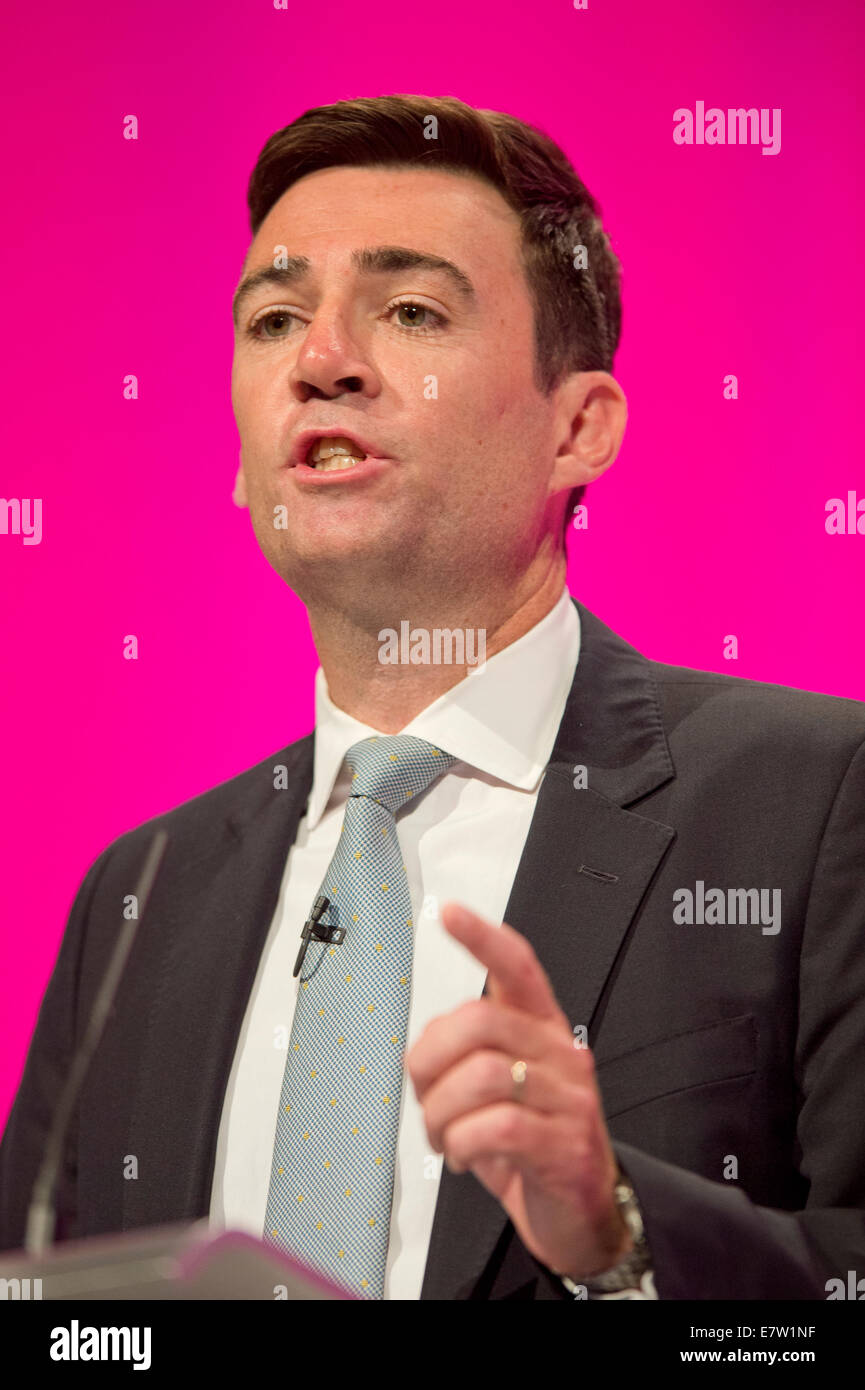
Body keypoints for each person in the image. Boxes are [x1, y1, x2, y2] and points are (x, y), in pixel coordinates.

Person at [2, 94, 864, 1302]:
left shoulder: (816, 803)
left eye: (410, 310)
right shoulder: (139, 896)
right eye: (274, 317)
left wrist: (618, 1237)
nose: (321, 360)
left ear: (579, 428)